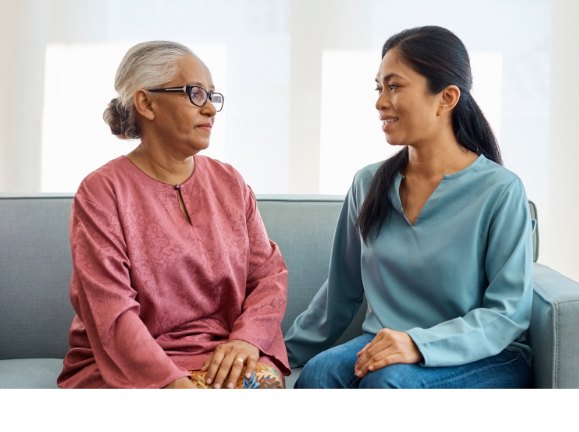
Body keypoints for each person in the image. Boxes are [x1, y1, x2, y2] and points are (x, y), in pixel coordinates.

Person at [285, 26, 533, 389]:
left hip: (485, 355)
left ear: (446, 97)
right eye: (379, 87)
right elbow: (340, 294)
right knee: (319, 374)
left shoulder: (501, 191)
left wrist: (419, 343)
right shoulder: (367, 184)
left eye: (395, 86)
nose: (380, 101)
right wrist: (273, 354)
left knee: (388, 383)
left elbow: (506, 314)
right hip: (385, 342)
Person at [58, 41, 289, 389]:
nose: (211, 108)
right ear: (147, 103)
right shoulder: (100, 193)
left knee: (261, 385)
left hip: (222, 351)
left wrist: (248, 339)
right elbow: (110, 309)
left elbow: (268, 277)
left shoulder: (230, 182)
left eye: (213, 96)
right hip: (126, 362)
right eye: (196, 93)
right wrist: (172, 385)